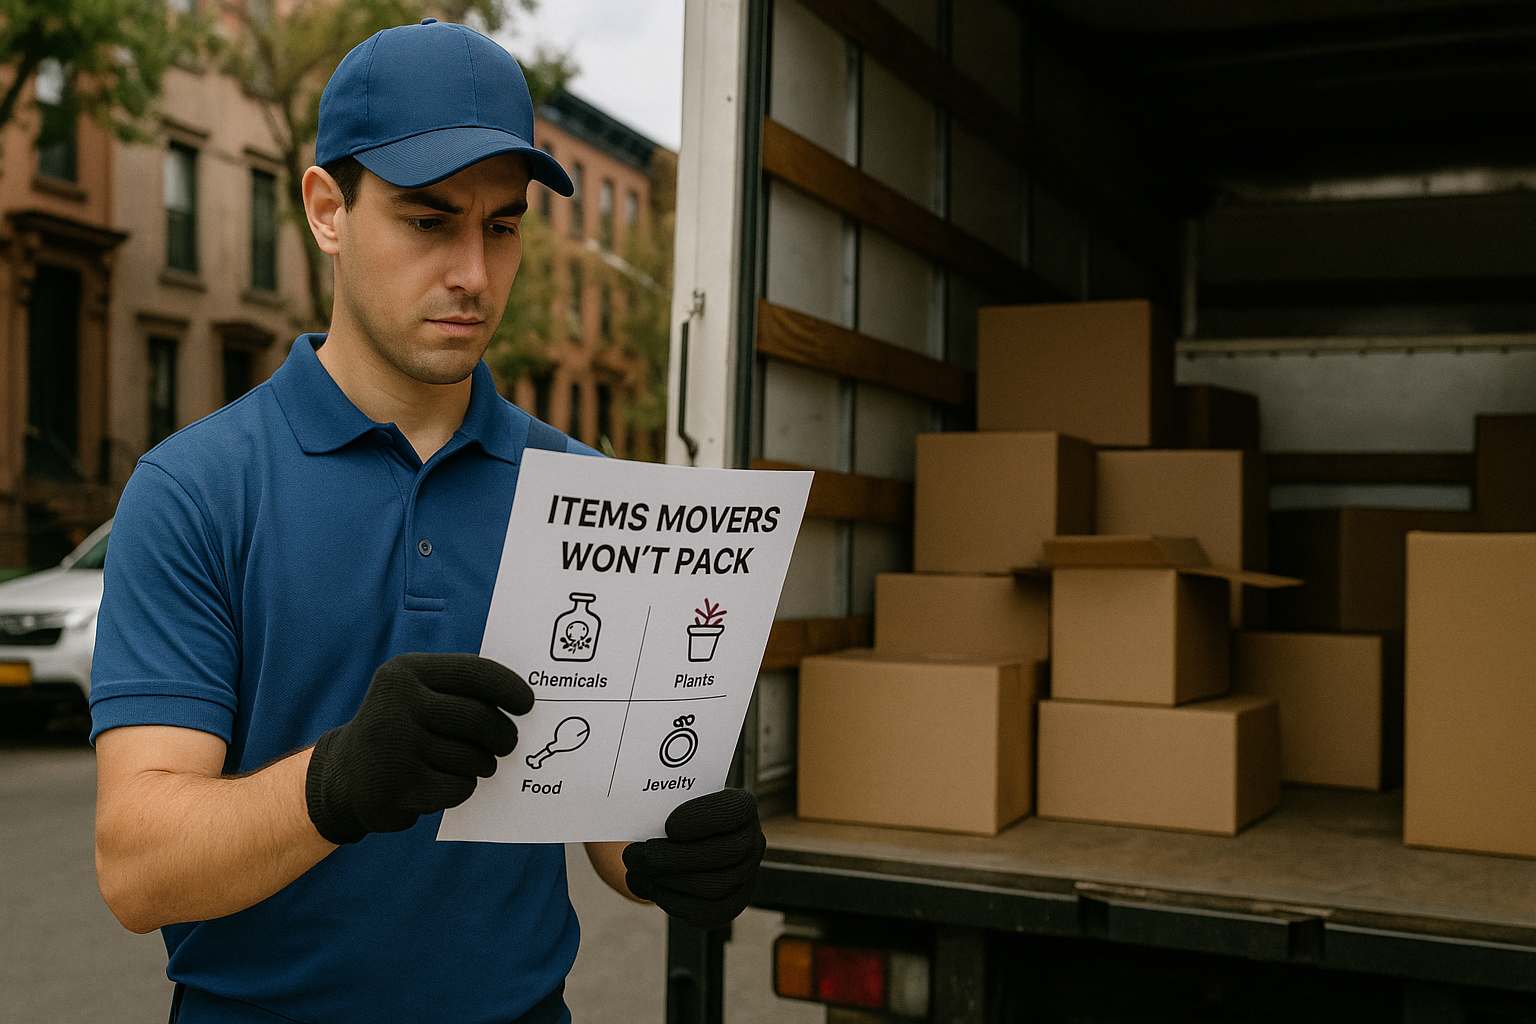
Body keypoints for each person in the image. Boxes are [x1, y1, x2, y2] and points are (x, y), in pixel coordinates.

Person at [90, 20, 763, 1024]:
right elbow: (137, 867)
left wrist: (676, 853)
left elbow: (615, 840)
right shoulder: (196, 488)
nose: (475, 274)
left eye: (502, 226)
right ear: (328, 209)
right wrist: (337, 781)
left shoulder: (589, 495)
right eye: (426, 220)